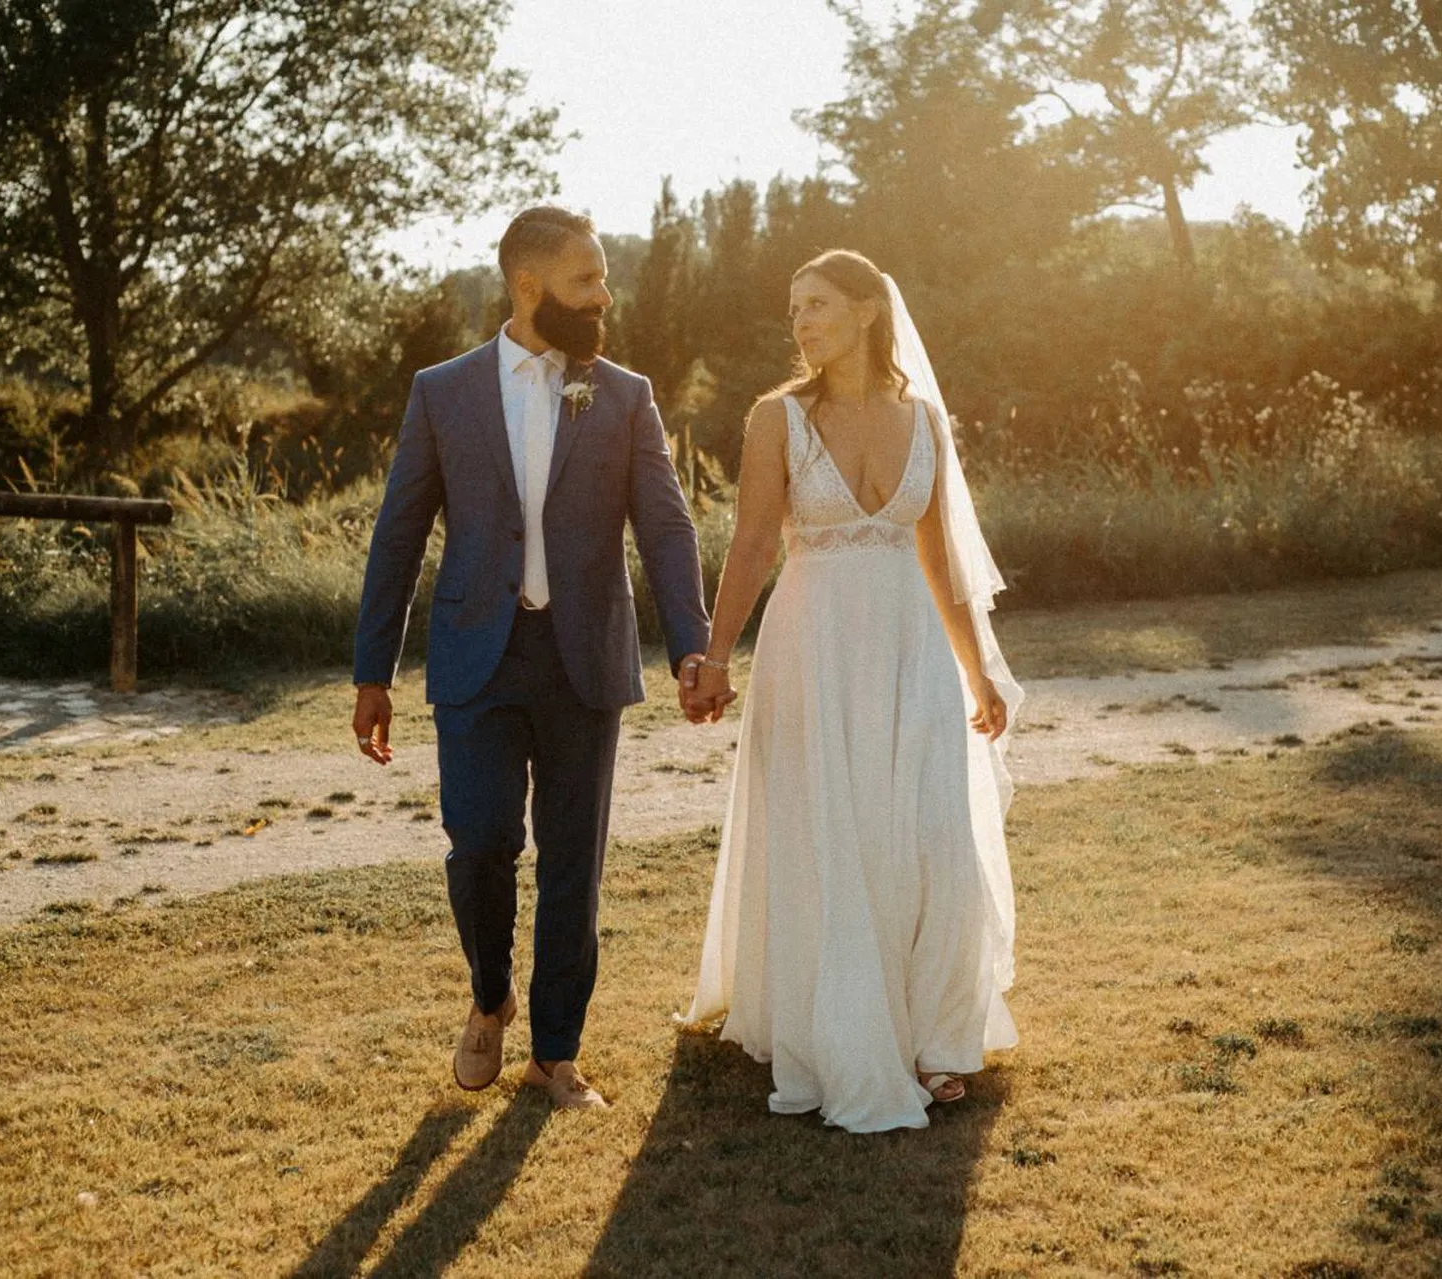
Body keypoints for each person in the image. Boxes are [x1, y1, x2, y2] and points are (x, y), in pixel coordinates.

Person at [351, 206, 712, 1110]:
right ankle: (489, 994)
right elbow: (399, 534)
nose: (604, 295)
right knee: (479, 844)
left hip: (585, 658)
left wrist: (692, 646)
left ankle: (555, 1054)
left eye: (602, 277)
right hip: (476, 655)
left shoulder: (624, 395)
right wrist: (372, 670)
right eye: (586, 279)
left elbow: (666, 527)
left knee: (572, 862)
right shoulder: (443, 391)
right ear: (528, 285)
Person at [681, 249, 1022, 1132]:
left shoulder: (925, 420)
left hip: (913, 645)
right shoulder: (777, 418)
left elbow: (939, 556)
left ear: (869, 310)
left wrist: (977, 666)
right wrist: (715, 657)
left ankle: (937, 1036)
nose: (802, 322)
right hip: (815, 643)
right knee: (835, 828)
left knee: (934, 836)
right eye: (795, 308)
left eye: (819, 303)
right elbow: (754, 544)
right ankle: (845, 1029)